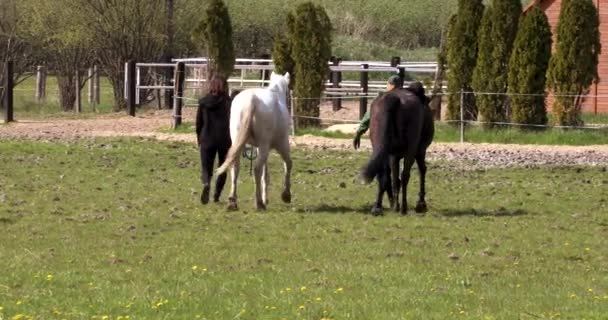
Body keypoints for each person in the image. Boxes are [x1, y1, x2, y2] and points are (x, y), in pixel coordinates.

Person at [196, 76, 232, 204]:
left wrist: (199, 139)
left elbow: (198, 123)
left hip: (207, 139)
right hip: (224, 139)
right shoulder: (229, 102)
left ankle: (206, 183)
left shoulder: (203, 102)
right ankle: (217, 195)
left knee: (206, 167)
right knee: (222, 168)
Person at [353, 75, 402, 149]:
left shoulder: (380, 98)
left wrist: (359, 133)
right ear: (400, 85)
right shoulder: (404, 98)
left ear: (389, 85)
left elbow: (368, 116)